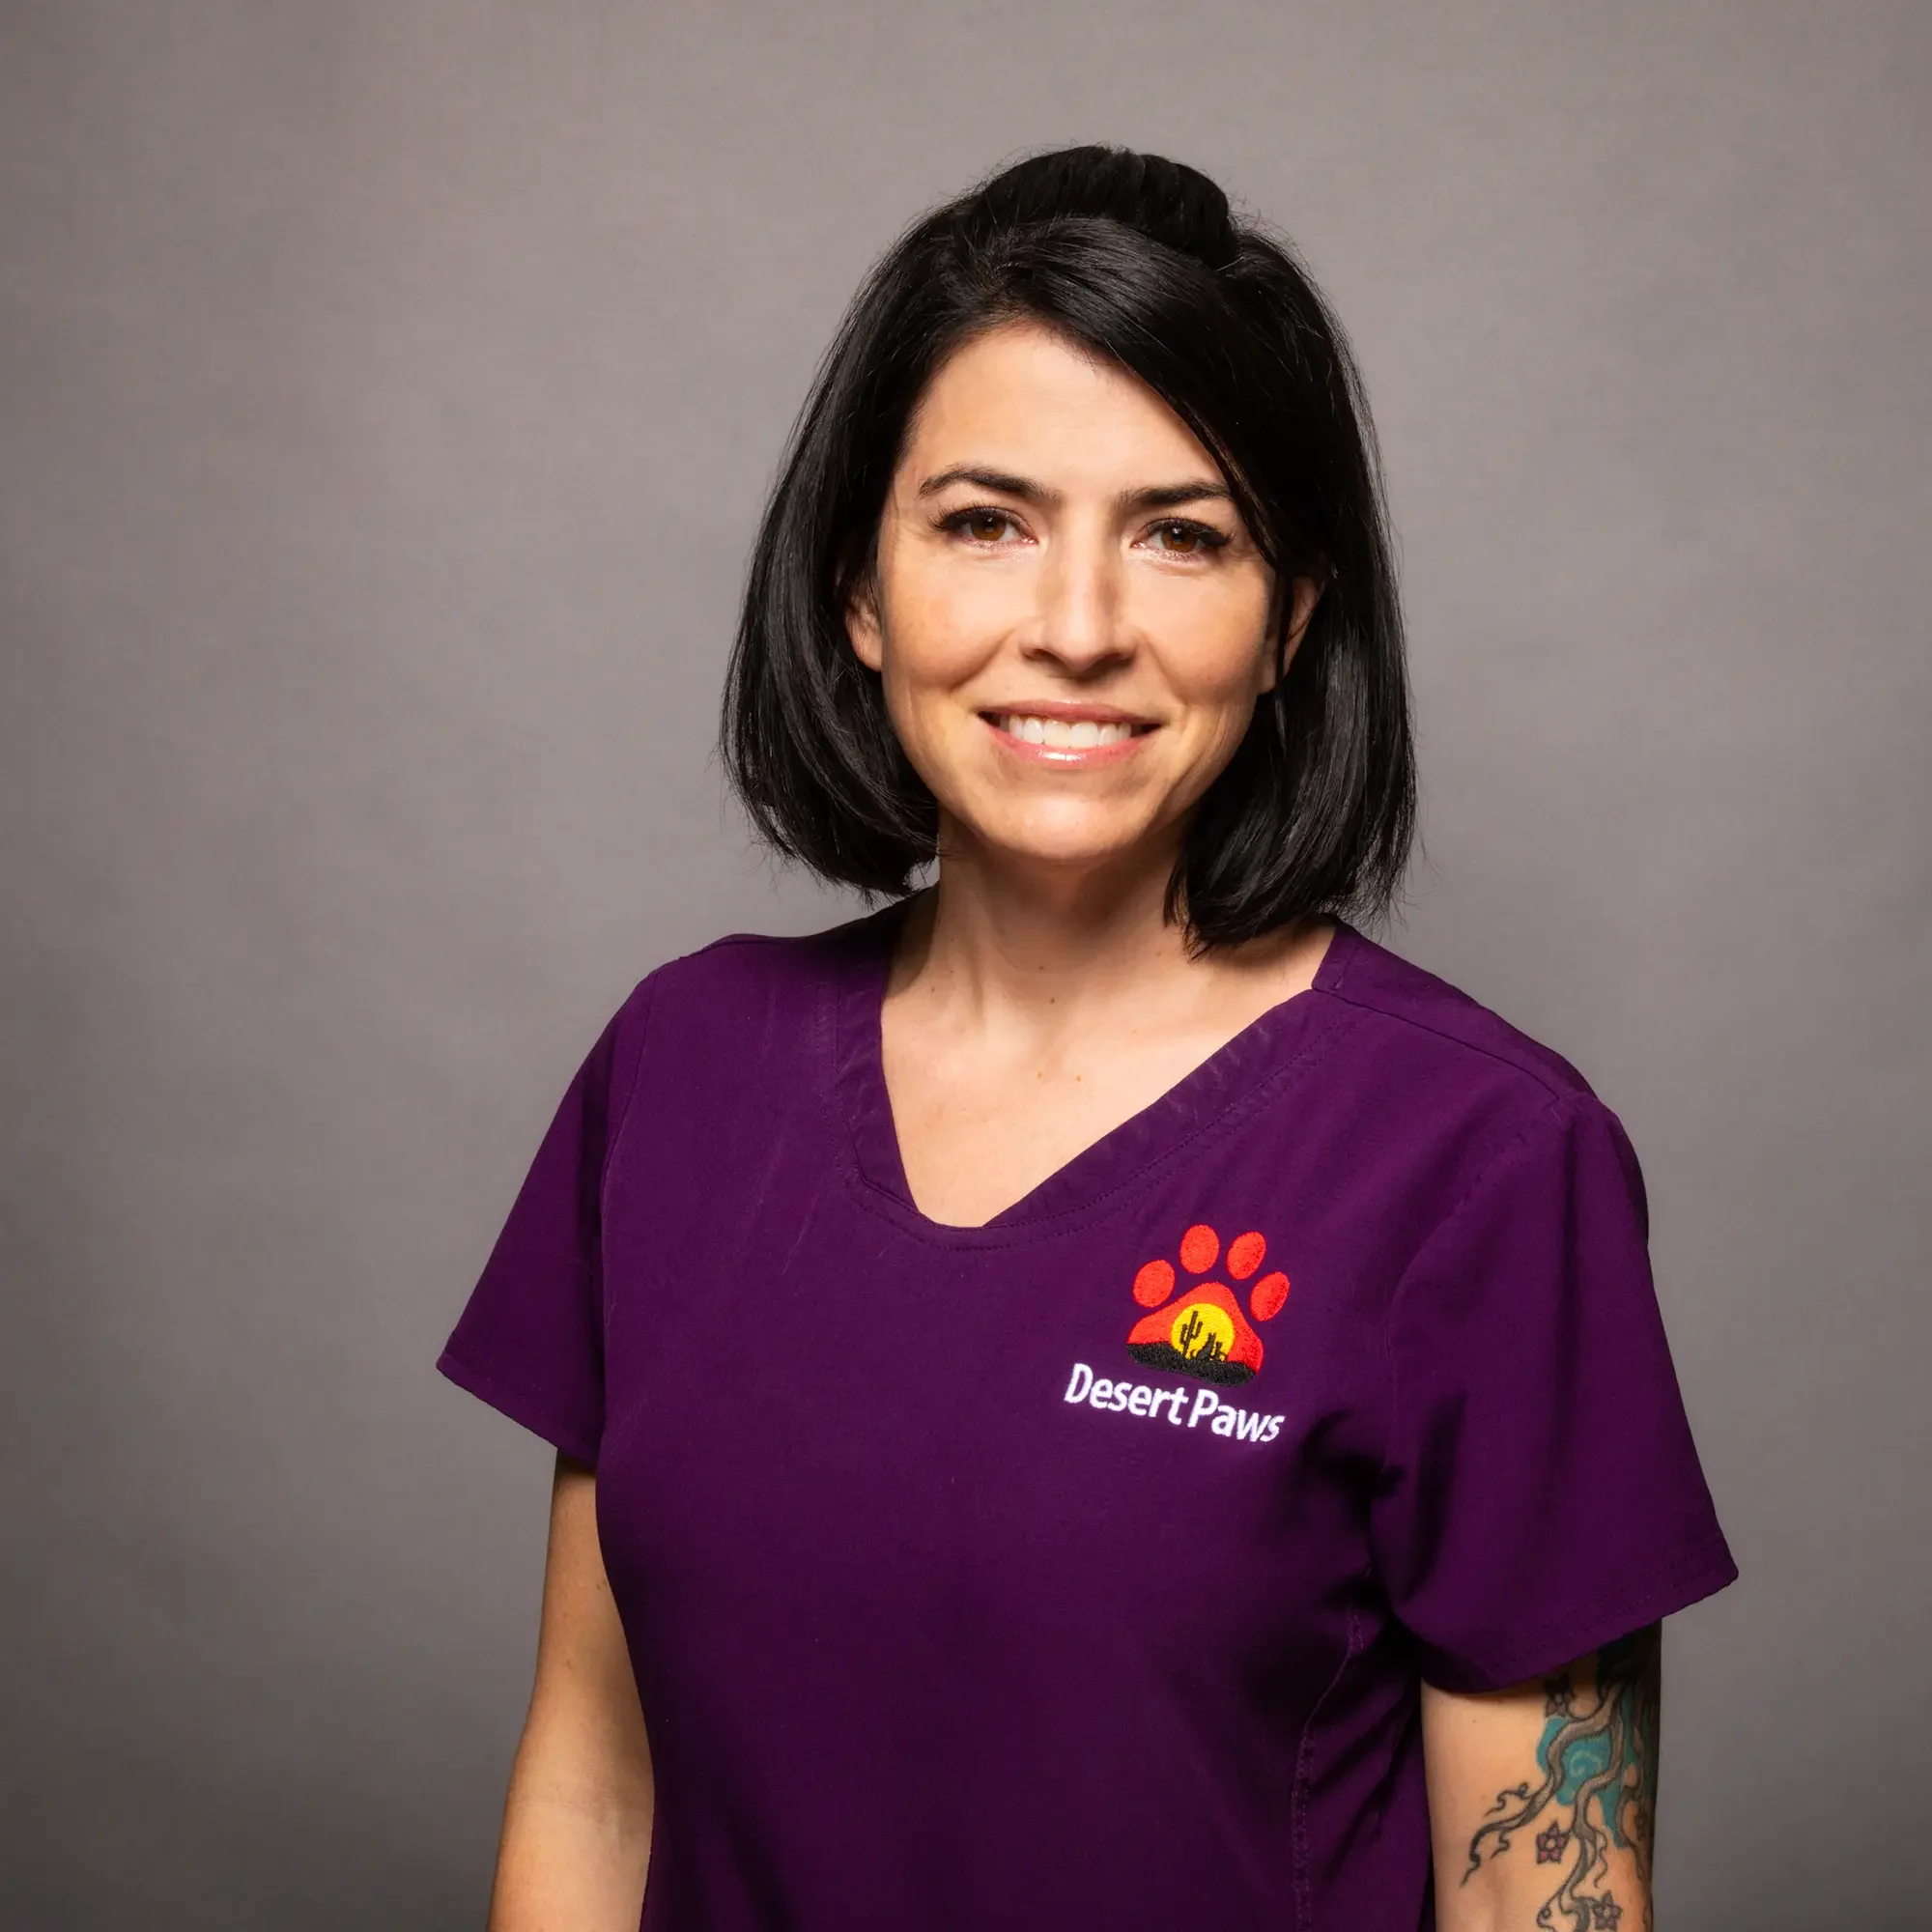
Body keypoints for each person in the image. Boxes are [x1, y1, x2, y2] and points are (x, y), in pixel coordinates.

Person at [437, 146, 1736, 1932]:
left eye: (1182, 535)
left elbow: (1543, 1897)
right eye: (986, 522)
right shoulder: (679, 1072)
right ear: (859, 587)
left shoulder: (1485, 1162)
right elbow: (596, 1790)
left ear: (1289, 619)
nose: (1076, 630)